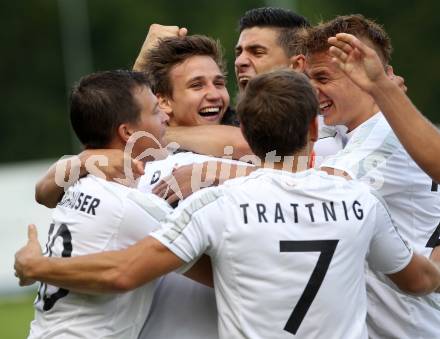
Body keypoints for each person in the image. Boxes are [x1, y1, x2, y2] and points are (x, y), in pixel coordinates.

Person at [15, 70, 440, 339]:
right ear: (314, 126)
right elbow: (420, 281)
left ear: (246, 138)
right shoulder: (358, 200)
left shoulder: (212, 205)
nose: (165, 119)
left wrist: (37, 266)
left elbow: (126, 270)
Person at [303, 14, 440, 339]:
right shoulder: (348, 133)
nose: (314, 91)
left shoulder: (383, 134)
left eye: (323, 77)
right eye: (309, 80)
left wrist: (213, 172)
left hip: (412, 327)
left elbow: (317, 191)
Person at [26, 70, 176, 338]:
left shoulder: (77, 180)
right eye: (156, 111)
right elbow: (213, 268)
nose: (167, 116)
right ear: (127, 131)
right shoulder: (135, 207)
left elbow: (43, 192)